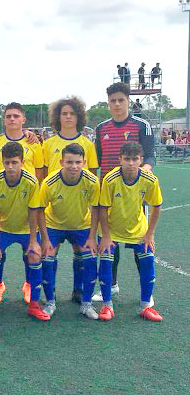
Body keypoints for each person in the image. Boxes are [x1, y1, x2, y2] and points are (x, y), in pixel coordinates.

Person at [93, 82, 155, 303]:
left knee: (141, 244)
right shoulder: (101, 129)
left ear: (128, 101)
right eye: (113, 101)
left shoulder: (142, 125)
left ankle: (146, 294)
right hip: (108, 195)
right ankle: (112, 285)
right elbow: (96, 161)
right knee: (109, 243)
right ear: (108, 103)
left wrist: (143, 173)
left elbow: (149, 156)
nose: (117, 104)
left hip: (134, 194)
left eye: (121, 100)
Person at [0, 142, 50, 322]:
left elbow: (33, 211)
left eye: (14, 162)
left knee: (35, 256)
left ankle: (34, 306)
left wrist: (34, 241)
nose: (10, 167)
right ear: (2, 162)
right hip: (3, 228)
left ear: (22, 161)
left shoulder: (32, 181)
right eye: (7, 163)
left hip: (26, 229)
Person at [0, 102, 44, 304]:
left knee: (31, 253)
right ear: (4, 119)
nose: (12, 119)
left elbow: (40, 171)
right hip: (2, 202)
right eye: (8, 116)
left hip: (25, 201)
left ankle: (28, 285)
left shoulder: (34, 143)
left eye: (16, 116)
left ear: (23, 119)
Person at [96, 142, 163, 322]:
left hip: (138, 230)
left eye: (135, 159)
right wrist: (106, 236)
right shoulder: (110, 179)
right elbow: (102, 208)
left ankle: (146, 306)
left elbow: (156, 207)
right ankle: (107, 305)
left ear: (141, 160)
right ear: (120, 160)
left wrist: (150, 234)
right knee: (106, 261)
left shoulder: (150, 179)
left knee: (148, 261)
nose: (131, 163)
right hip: (112, 229)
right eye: (127, 159)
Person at [43, 96, 98, 303]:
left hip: (79, 213)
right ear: (58, 117)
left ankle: (78, 290)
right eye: (64, 113)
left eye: (72, 113)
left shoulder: (87, 145)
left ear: (78, 116)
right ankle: (51, 295)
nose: (68, 117)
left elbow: (92, 178)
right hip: (54, 212)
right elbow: (42, 176)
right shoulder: (47, 144)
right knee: (48, 253)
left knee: (81, 252)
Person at [37, 143, 100, 319]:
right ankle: (50, 301)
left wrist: (92, 237)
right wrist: (45, 239)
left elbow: (96, 209)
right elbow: (40, 210)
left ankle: (85, 301)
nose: (74, 166)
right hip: (54, 225)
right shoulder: (49, 182)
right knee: (47, 258)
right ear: (61, 161)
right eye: (69, 162)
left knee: (90, 259)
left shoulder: (92, 181)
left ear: (84, 162)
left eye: (78, 162)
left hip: (82, 225)